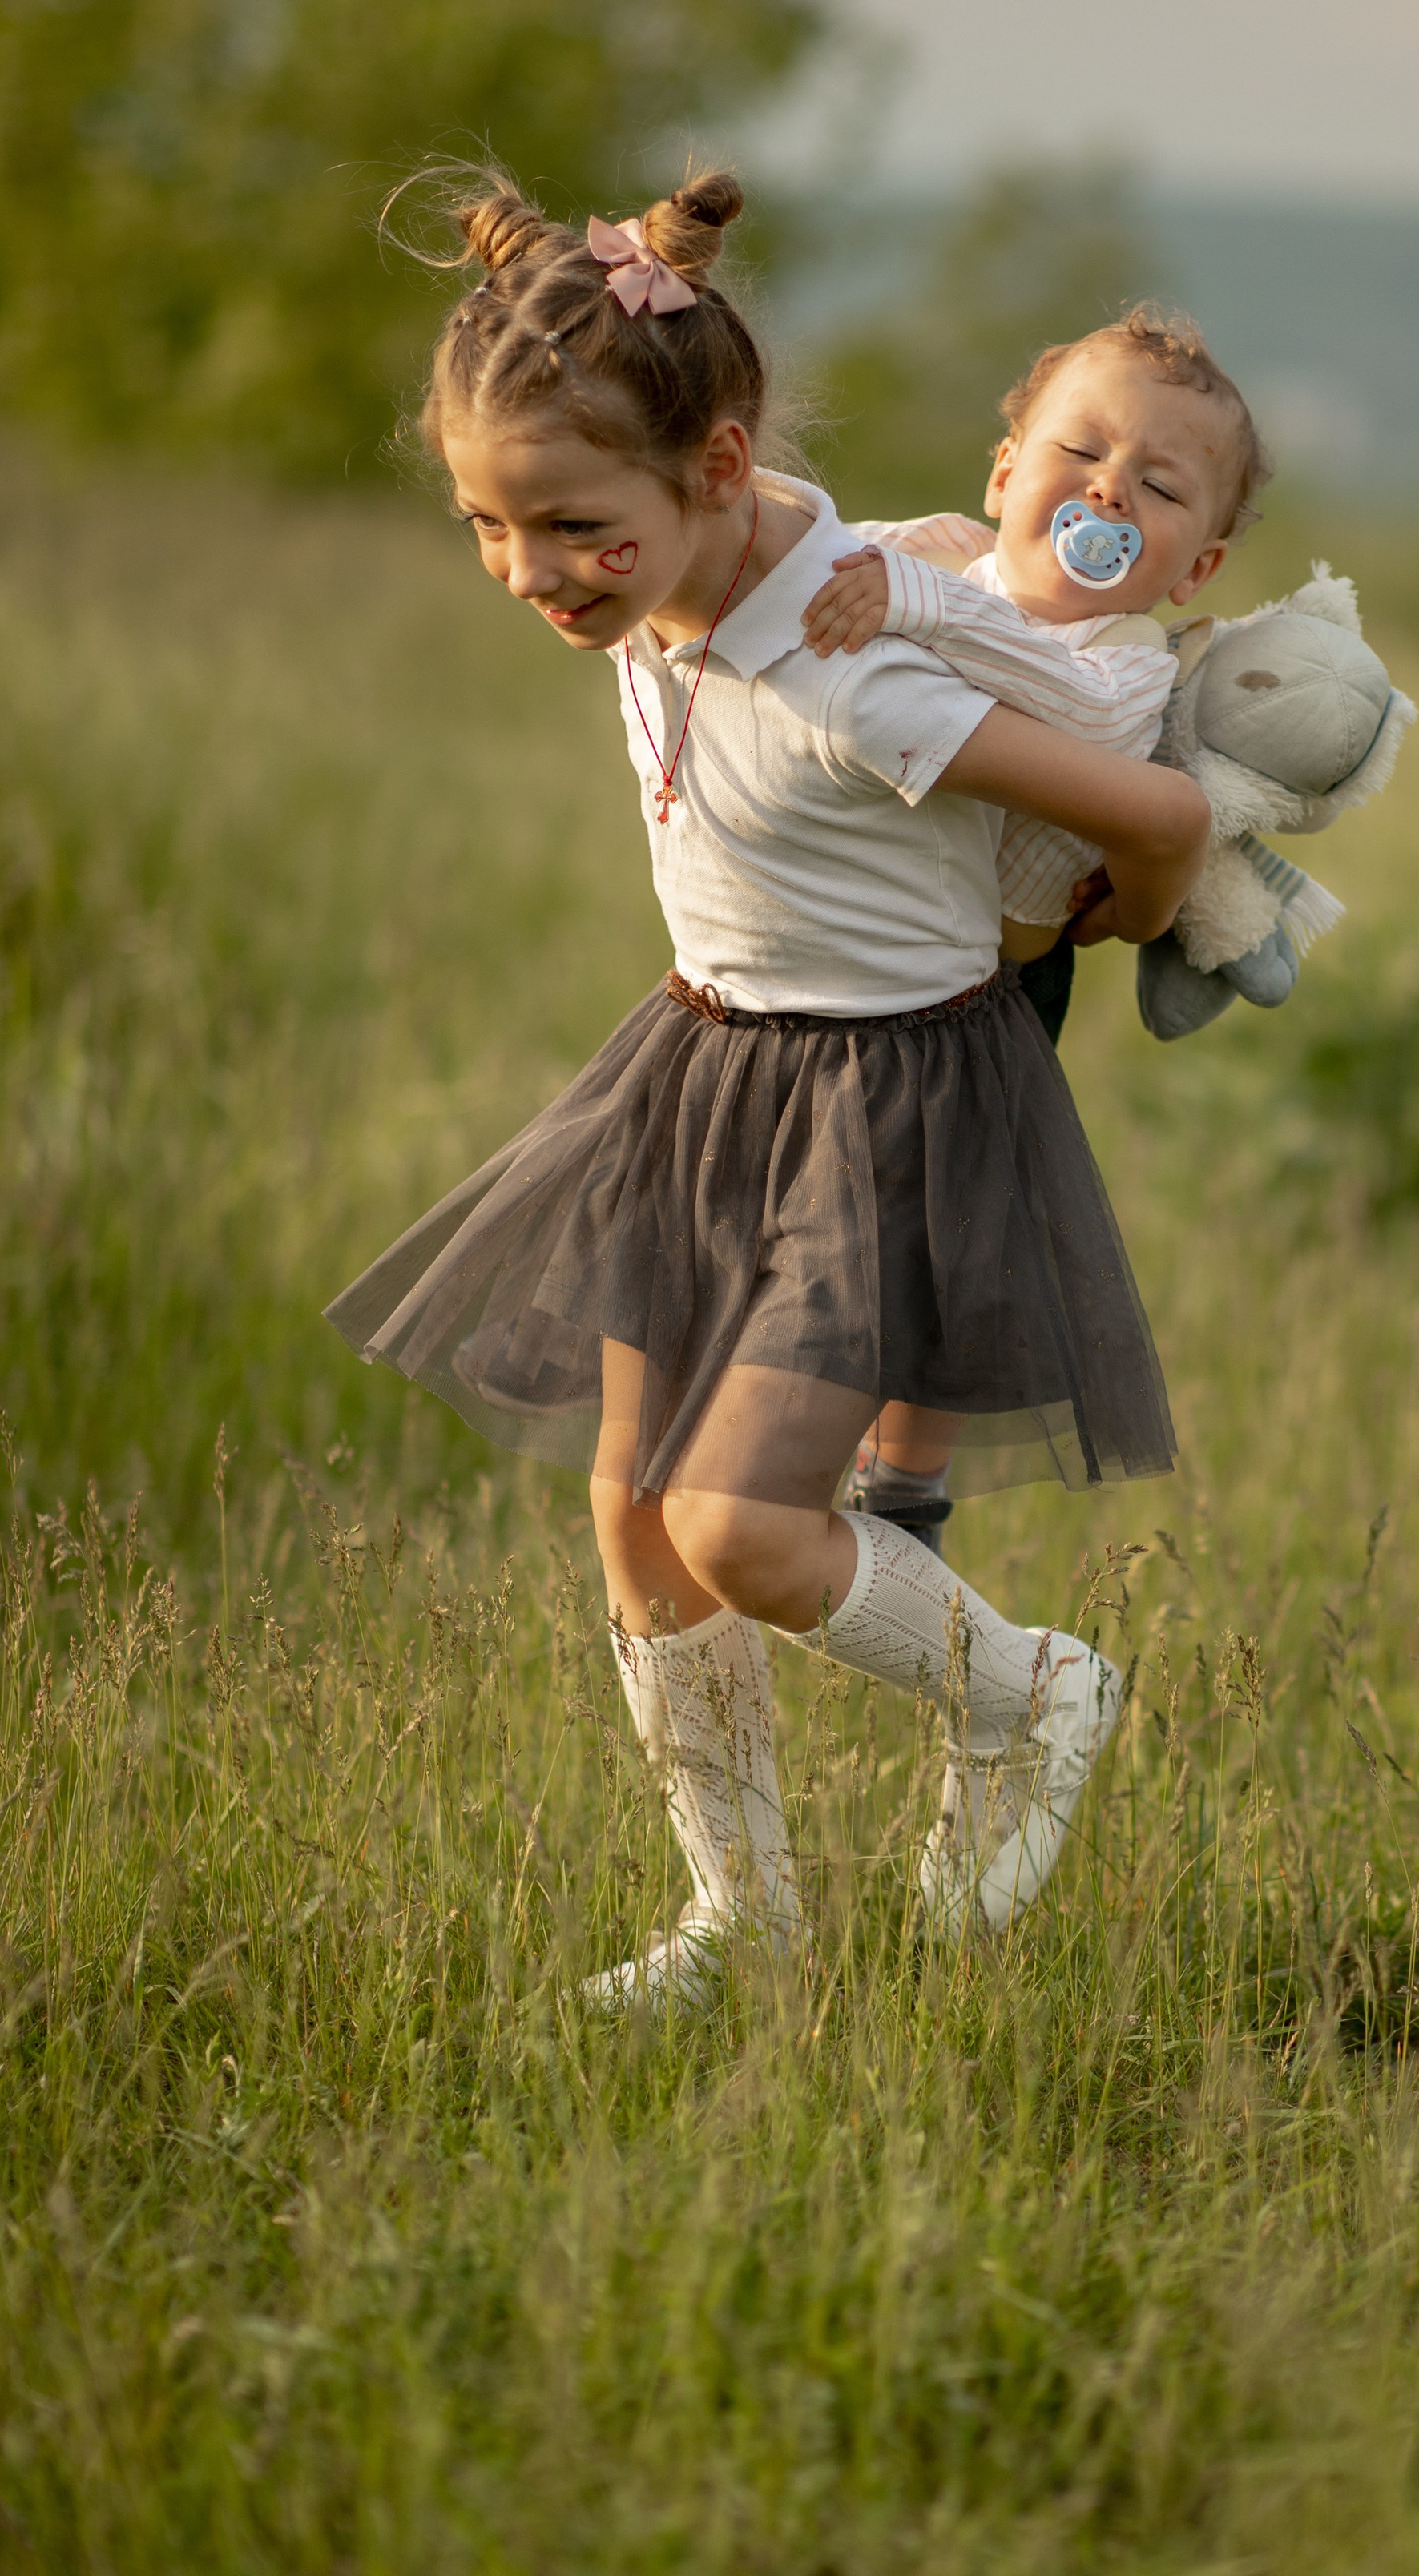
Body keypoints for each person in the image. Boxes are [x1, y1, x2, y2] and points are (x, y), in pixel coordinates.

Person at [326, 166, 1211, 2012]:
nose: (533, 574)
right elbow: (780, 520)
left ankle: (1031, 1693)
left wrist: (1114, 925)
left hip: (884, 1106)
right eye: (492, 528)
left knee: (743, 1524)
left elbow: (1156, 810)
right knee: (634, 1504)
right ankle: (746, 1918)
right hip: (702, 1063)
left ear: (710, 476)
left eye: (570, 529)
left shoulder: (848, 676)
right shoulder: (714, 538)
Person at [804, 307, 1272, 1554]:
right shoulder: (931, 563)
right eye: (1080, 454)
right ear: (1007, 472)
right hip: (852, 947)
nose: (1109, 488)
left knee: (959, 1232)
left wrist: (907, 601)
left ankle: (906, 1482)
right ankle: (804, 1428)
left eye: (1160, 486)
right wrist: (848, 562)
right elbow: (825, 557)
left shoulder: (1124, 668)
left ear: (1196, 570)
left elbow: (1035, 680)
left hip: (996, 986)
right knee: (823, 1220)